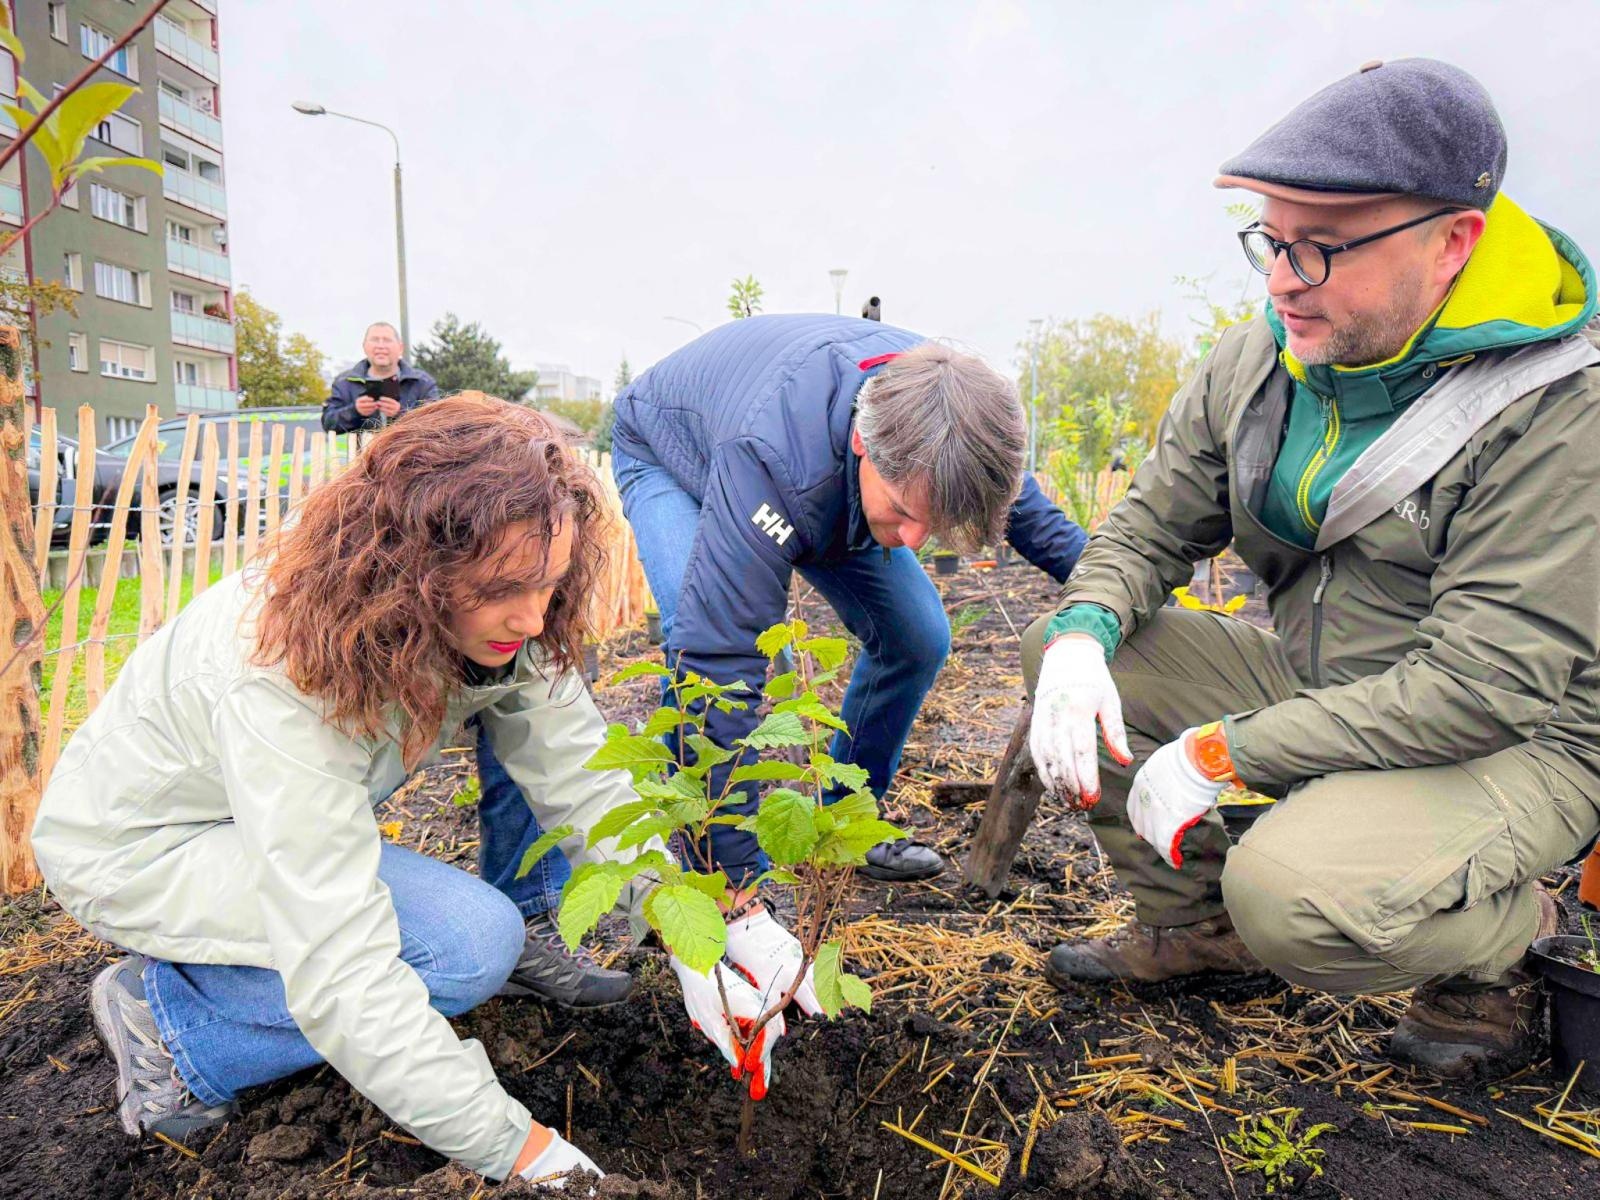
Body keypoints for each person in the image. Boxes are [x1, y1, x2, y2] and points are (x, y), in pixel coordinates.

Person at [31, 397, 777, 1186]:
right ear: (413, 570)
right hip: (139, 848)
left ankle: (217, 976)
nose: (531, 616)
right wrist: (525, 1152)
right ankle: (172, 1025)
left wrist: (685, 933)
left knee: (456, 939)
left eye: (549, 584)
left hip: (251, 820)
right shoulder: (286, 673)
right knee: (458, 950)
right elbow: (344, 971)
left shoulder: (500, 618)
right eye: (503, 588)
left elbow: (584, 777)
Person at [1025, 58, 1600, 1079]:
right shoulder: (1270, 358)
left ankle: (1500, 942)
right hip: (1328, 683)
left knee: (1293, 895)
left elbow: (1483, 687)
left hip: (1515, 739)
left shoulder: (1556, 408)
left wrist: (1221, 756)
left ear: (1451, 242)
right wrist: (1082, 634)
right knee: (1078, 652)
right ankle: (1205, 930)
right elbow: (1150, 526)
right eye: (1271, 240)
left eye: (1322, 249)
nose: (1281, 278)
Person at [320, 321, 440, 433]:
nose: (381, 346)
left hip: (409, 455)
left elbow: (438, 422)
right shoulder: (345, 382)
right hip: (362, 454)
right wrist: (355, 411)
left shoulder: (422, 382)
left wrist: (401, 413)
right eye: (375, 340)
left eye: (387, 340)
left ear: (400, 348)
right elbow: (328, 423)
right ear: (364, 346)